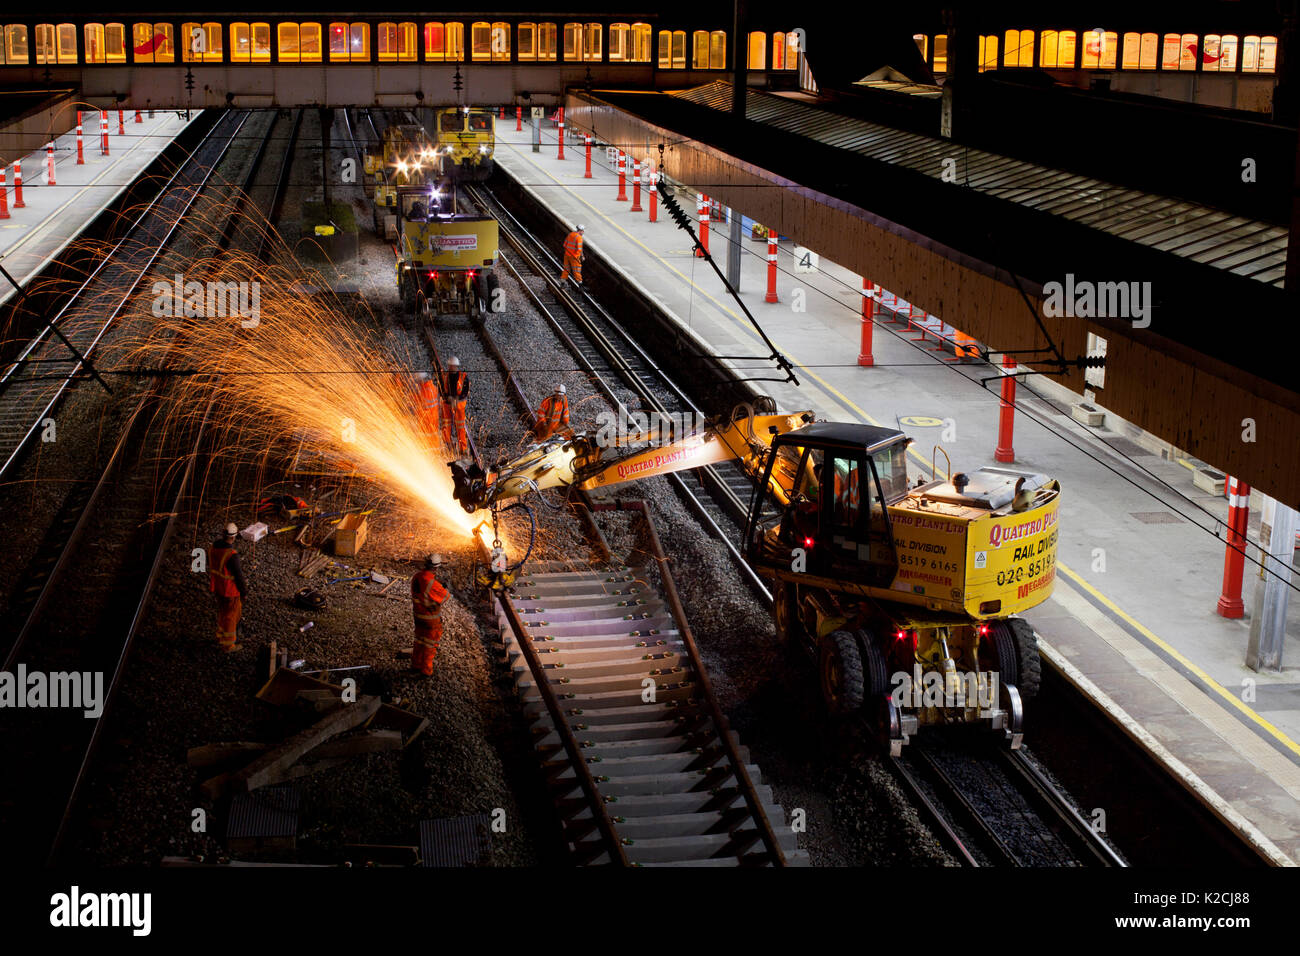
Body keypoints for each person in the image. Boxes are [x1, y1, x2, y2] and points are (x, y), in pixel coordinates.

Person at [208, 522, 248, 652]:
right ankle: (228, 645)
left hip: (217, 587)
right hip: (230, 591)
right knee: (231, 616)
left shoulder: (213, 548)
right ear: (234, 537)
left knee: (223, 613)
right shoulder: (231, 555)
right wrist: (244, 592)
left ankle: (220, 637)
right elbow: (238, 576)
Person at [411, 553, 449, 676]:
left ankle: (416, 665)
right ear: (436, 568)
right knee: (429, 645)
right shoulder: (431, 583)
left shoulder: (416, 577)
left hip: (418, 617)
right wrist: (442, 586)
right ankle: (426, 671)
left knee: (419, 642)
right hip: (430, 620)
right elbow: (445, 597)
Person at [441, 356, 470, 456]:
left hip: (459, 405)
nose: (451, 368)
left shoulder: (463, 376)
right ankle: (448, 445)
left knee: (460, 427)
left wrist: (457, 399)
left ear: (457, 367)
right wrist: (448, 397)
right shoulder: (445, 376)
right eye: (450, 366)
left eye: (453, 366)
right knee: (446, 425)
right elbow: (442, 390)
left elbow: (465, 391)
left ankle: (463, 448)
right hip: (447, 404)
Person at [414, 371, 441, 448]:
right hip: (434, 418)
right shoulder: (433, 387)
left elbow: (421, 404)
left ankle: (429, 454)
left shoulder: (424, 391)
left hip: (426, 421)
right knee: (434, 437)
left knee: (426, 441)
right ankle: (436, 452)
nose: (418, 384)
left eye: (418, 381)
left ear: (421, 380)